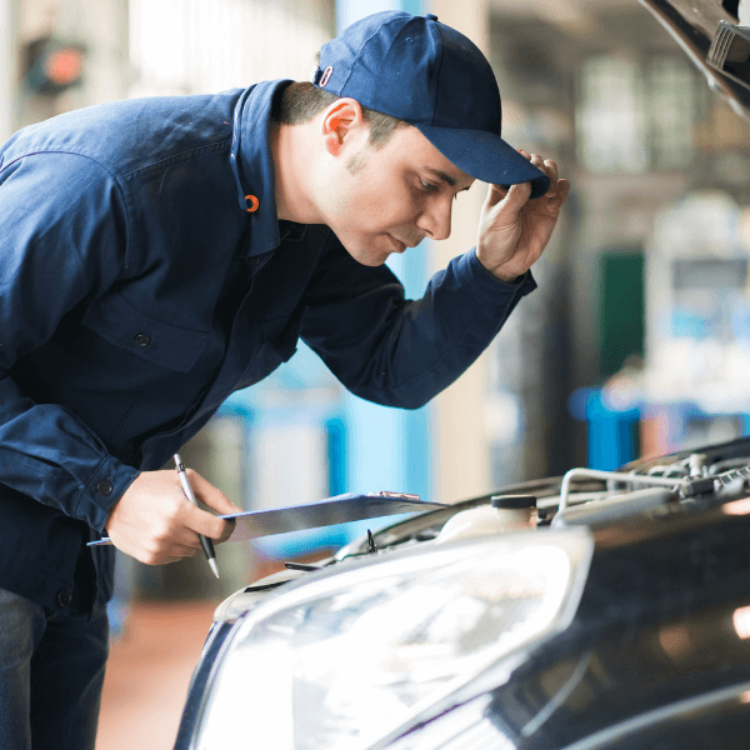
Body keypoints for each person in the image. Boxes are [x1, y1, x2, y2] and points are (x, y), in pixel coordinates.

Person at [0, 9, 569, 749]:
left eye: (454, 195)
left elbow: (392, 366)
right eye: (428, 184)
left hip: (72, 566)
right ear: (340, 129)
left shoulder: (317, 240)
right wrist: (108, 490)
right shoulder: (115, 181)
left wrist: (493, 273)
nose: (438, 224)